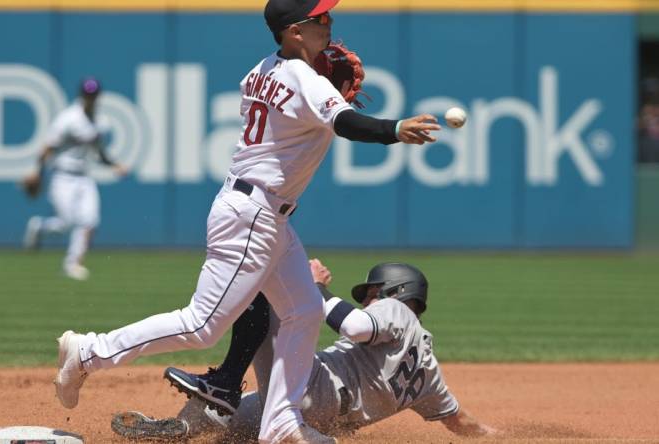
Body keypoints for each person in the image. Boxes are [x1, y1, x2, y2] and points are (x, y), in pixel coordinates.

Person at [53, 0, 441, 441]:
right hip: (253, 215)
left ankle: (280, 423)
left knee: (304, 310)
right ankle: (88, 352)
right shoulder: (301, 77)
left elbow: (289, 117)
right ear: (295, 32)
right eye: (321, 19)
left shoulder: (263, 69)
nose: (330, 24)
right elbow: (347, 123)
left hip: (262, 213)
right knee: (202, 324)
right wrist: (394, 128)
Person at [119, 259, 497, 442]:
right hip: (320, 416)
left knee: (265, 282)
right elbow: (460, 422)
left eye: (370, 294)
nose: (367, 300)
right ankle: (184, 427)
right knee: (236, 426)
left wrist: (312, 287)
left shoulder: (396, 311)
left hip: (314, 386)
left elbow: (355, 326)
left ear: (396, 292)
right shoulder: (429, 374)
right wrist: (500, 436)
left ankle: (224, 383)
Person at [21, 77, 127, 281]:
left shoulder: (99, 122)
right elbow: (48, 147)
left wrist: (115, 165)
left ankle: (73, 263)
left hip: (84, 177)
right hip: (63, 176)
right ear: (81, 96)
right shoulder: (68, 119)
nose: (91, 99)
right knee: (66, 223)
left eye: (94, 95)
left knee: (90, 220)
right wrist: (37, 171)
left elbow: (99, 152)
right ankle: (39, 226)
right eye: (88, 95)